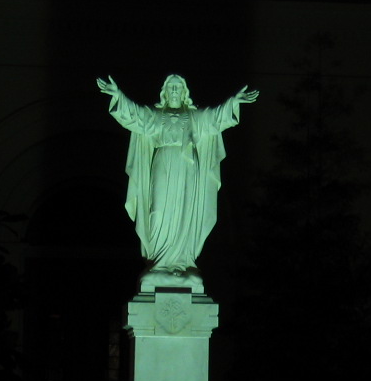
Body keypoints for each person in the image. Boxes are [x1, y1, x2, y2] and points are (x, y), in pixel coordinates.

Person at [96, 74, 258, 283]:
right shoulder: (155, 116)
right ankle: (159, 261)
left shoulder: (193, 117)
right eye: (170, 88)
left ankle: (182, 262)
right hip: (162, 165)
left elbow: (215, 119)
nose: (174, 91)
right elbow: (134, 115)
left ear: (184, 93)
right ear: (164, 92)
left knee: (184, 214)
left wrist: (233, 102)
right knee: (159, 211)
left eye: (177, 88)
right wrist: (118, 94)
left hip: (188, 168)